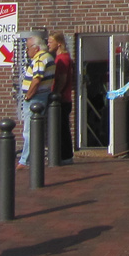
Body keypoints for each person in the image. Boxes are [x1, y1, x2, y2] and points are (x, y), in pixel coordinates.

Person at [17, 34, 55, 168]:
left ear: (36, 48)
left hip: (35, 98)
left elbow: (37, 79)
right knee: (35, 128)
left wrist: (28, 95)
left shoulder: (39, 59)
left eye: (28, 48)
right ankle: (31, 157)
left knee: (29, 130)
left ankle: (25, 160)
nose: (27, 52)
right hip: (42, 95)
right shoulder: (49, 57)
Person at [48, 32, 74, 163]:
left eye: (50, 41)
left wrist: (55, 95)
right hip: (64, 98)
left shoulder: (62, 59)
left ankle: (65, 156)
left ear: (58, 43)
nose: (48, 44)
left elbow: (62, 79)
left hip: (62, 99)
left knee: (62, 128)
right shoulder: (62, 58)